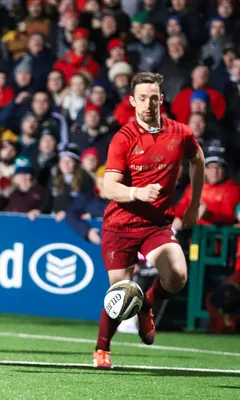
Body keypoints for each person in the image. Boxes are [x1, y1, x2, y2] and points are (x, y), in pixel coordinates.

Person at [95, 72, 205, 369]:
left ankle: (146, 306)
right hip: (120, 224)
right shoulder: (124, 138)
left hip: (156, 225)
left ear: (162, 99)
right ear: (132, 101)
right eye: (142, 98)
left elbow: (198, 159)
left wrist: (194, 204)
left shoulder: (179, 133)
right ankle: (102, 349)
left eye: (153, 97)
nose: (148, 103)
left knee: (178, 276)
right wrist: (138, 192)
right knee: (120, 291)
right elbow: (109, 187)